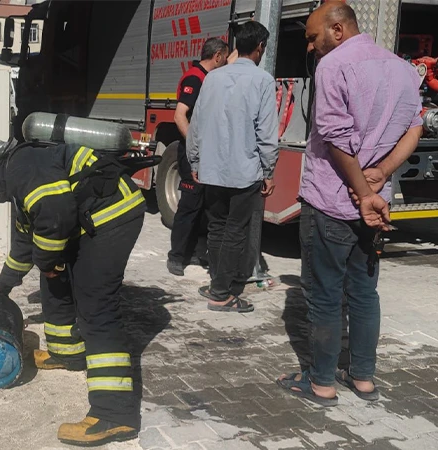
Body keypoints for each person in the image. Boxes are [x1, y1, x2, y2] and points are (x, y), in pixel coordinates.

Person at [0, 131, 146, 446]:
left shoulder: (21, 169)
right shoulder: (16, 177)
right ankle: (67, 354)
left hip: (113, 214)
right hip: (89, 216)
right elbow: (26, 239)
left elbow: (55, 216)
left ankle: (115, 414)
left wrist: (48, 261)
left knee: (96, 305)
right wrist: (3, 286)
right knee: (53, 275)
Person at [277, 1, 423, 406]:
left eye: (311, 36)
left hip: (333, 202)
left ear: (338, 29)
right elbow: (415, 127)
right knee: (364, 294)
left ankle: (321, 383)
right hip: (374, 207)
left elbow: (337, 138)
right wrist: (380, 174)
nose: (309, 46)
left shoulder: (334, 65)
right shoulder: (403, 69)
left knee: (324, 296)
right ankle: (363, 378)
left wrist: (362, 191)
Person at [186, 21, 279, 313]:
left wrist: (195, 160)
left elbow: (196, 124)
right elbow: (266, 133)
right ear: (261, 47)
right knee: (235, 231)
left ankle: (217, 283)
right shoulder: (263, 81)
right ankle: (221, 293)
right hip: (244, 171)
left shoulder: (212, 78)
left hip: (212, 170)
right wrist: (268, 170)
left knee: (217, 227)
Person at [167, 38, 229, 277]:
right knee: (190, 204)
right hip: (193, 153)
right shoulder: (195, 78)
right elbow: (179, 116)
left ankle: (191, 250)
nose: (225, 63)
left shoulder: (208, 76)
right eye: (224, 58)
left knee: (204, 204)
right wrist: (196, 147)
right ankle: (176, 256)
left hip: (205, 152)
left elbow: (235, 58)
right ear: (217, 57)